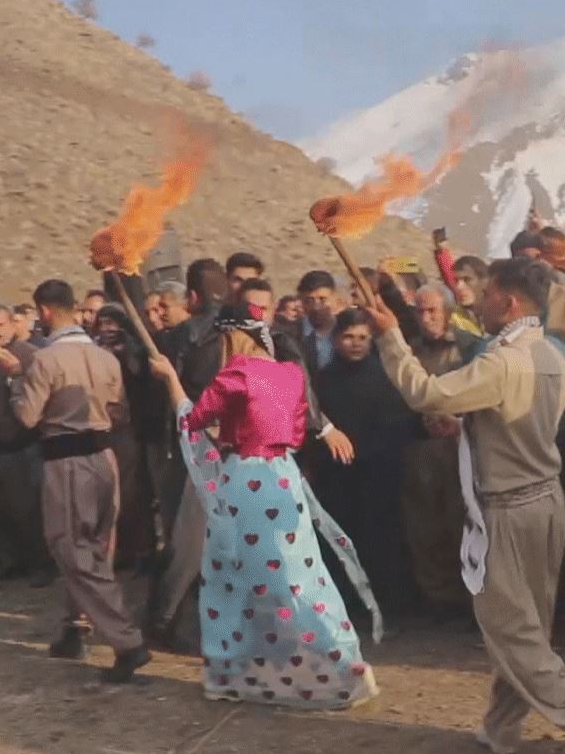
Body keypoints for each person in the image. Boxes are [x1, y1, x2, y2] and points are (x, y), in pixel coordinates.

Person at [366, 257, 565, 754]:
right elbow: (518, 426)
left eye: (486, 294)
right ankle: (503, 726)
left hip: (510, 507)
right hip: (544, 500)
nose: (478, 302)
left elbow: (426, 393)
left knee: (509, 625)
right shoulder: (551, 356)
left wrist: (391, 337)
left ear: (508, 301)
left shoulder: (504, 362)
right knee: (527, 624)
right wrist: (469, 430)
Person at [147, 303, 381, 708]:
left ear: (233, 336)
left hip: (245, 483)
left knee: (232, 577)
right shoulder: (291, 374)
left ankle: (236, 671)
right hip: (284, 479)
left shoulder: (236, 373)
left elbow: (194, 421)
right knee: (299, 575)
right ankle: (338, 663)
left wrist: (171, 380)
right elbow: (293, 430)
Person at [0, 280, 150, 684]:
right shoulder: (106, 358)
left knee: (73, 549)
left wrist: (17, 379)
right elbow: (119, 413)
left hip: (67, 461)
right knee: (95, 548)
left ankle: (127, 641)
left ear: (45, 312)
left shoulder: (46, 361)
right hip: (104, 458)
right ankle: (75, 626)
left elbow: (27, 417)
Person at [314, 308, 422, 618]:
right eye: (349, 337)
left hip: (380, 472)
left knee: (384, 540)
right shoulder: (323, 379)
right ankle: (349, 606)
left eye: (363, 337)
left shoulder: (385, 375)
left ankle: (392, 607)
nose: (356, 343)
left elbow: (401, 423)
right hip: (338, 476)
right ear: (336, 339)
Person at [400, 284, 483, 619]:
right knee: (425, 525)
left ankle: (471, 598)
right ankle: (439, 599)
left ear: (448, 312)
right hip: (422, 447)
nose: (426, 318)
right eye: (420, 311)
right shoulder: (412, 350)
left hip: (462, 444)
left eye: (432, 310)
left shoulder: (468, 346)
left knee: (462, 521)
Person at [0, 304, 51, 585]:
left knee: (27, 508)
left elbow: (37, 396)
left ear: (13, 324)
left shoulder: (27, 355)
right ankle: (10, 560)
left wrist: (18, 373)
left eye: (0, 325)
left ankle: (40, 564)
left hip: (21, 443)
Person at [92, 305, 157, 572]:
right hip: (104, 428)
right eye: (103, 323)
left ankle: (142, 550)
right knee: (111, 493)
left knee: (132, 493)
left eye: (113, 323)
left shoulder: (134, 350)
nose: (107, 329)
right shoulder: (94, 350)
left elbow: (138, 376)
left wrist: (122, 353)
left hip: (129, 428)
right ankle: (121, 549)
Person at [298, 271, 341, 372]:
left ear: (334, 300)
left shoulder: (346, 330)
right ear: (302, 303)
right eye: (310, 300)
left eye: (323, 299)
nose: (316, 307)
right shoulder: (292, 336)